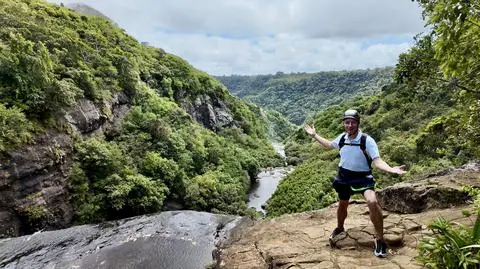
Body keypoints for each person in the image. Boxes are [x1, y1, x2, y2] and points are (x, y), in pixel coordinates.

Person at [304, 109, 406, 258]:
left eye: (353, 122)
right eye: (347, 122)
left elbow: (377, 161)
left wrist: (391, 169)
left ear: (358, 123)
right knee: (343, 203)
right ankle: (340, 228)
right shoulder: (343, 138)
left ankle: (380, 239)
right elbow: (329, 145)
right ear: (344, 124)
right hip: (344, 176)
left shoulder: (366, 140)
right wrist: (315, 135)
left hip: (363, 177)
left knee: (372, 201)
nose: (350, 125)